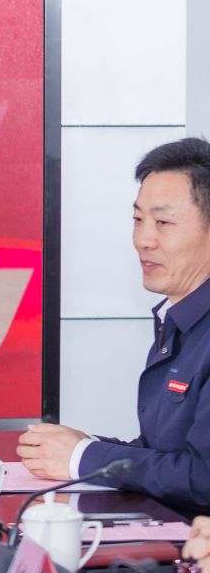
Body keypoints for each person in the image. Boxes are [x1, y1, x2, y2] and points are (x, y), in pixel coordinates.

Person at [21, 138, 210, 512]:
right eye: (138, 220)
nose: (142, 240)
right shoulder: (178, 320)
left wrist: (85, 457)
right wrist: (84, 446)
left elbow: (202, 478)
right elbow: (162, 453)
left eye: (163, 222)